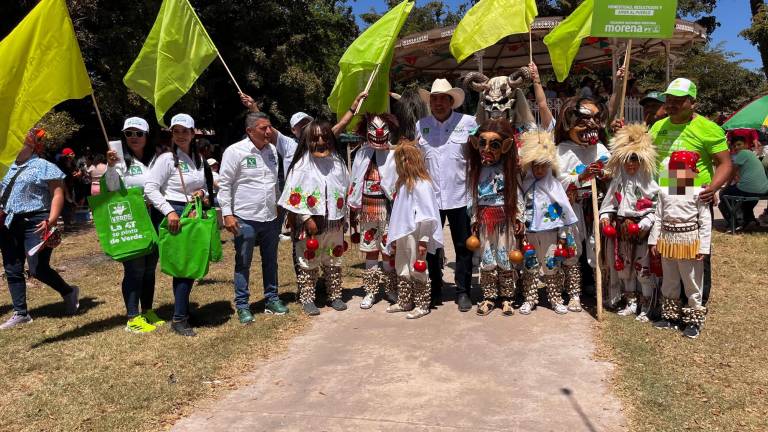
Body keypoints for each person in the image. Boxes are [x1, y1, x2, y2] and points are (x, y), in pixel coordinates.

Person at [649, 78, 732, 306]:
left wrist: (713, 187)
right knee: (668, 253)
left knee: (697, 254)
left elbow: (725, 163)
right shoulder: (658, 126)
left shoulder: (708, 128)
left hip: (694, 200)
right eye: (669, 100)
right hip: (665, 199)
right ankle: (669, 301)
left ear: (692, 102)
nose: (672, 104)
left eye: (678, 100)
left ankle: (696, 304)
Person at [0, 128, 79, 329]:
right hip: (9, 223)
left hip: (37, 221)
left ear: (33, 144)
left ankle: (68, 292)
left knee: (37, 268)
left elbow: (58, 193)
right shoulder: (5, 168)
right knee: (12, 269)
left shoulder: (43, 165)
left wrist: (52, 219)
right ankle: (21, 313)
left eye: (20, 141)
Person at [145, 113, 215, 337]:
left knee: (192, 264)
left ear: (193, 133)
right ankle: (179, 318)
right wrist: (169, 212)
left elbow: (204, 184)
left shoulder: (199, 159)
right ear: (172, 134)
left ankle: (182, 311)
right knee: (183, 267)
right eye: (176, 131)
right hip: (175, 214)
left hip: (193, 212)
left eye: (185, 131)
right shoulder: (166, 159)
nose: (181, 135)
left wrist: (202, 192)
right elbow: (151, 189)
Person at [219, 112, 288, 323]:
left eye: (269, 127)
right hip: (244, 217)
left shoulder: (272, 152)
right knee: (243, 262)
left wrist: (278, 207)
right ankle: (242, 305)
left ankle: (271, 298)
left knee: (271, 260)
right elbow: (224, 184)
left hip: (270, 217)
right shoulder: (234, 151)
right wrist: (227, 214)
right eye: (263, 128)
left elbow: (274, 183)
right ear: (249, 131)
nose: (269, 132)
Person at [416, 78, 477, 311]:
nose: (438, 103)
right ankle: (434, 289)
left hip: (460, 196)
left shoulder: (468, 122)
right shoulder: (421, 125)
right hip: (430, 198)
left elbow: (477, 156)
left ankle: (463, 291)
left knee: (463, 246)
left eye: (443, 98)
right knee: (430, 246)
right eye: (434, 99)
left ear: (452, 101)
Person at [279, 120, 350, 316]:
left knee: (333, 258)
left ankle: (334, 295)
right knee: (308, 260)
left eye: (325, 137)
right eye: (315, 138)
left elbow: (344, 190)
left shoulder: (338, 163)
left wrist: (344, 217)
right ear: (307, 140)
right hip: (310, 225)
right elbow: (293, 196)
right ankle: (308, 298)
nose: (321, 141)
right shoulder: (301, 165)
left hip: (334, 223)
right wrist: (306, 217)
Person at [104, 116, 165, 333]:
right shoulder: (119, 160)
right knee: (134, 269)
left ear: (147, 136)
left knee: (149, 268)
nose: (134, 138)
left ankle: (147, 310)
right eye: (129, 133)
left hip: (156, 217)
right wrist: (111, 167)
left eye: (138, 133)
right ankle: (132, 317)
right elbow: (111, 188)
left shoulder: (158, 158)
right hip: (133, 219)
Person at [599, 124, 660, 322]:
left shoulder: (651, 183)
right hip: (621, 230)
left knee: (643, 270)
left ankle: (646, 305)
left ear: (642, 160)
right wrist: (606, 217)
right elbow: (609, 204)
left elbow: (657, 209)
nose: (630, 165)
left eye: (635, 160)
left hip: (641, 231)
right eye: (627, 160)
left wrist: (643, 225)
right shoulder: (618, 181)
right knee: (624, 269)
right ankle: (630, 302)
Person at [555, 96, 611, 311]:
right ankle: (574, 293)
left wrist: (604, 174)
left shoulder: (599, 149)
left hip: (596, 205)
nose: (592, 125)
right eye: (584, 121)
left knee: (597, 247)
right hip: (573, 208)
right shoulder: (561, 150)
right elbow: (558, 181)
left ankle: (601, 289)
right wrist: (582, 176)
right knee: (572, 249)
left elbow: (612, 169)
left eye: (596, 119)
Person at [648, 150, 711, 339]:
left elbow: (705, 221)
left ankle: (693, 320)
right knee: (670, 279)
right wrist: (654, 239)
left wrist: (703, 247)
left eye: (684, 169)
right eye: (676, 169)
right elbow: (658, 216)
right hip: (667, 241)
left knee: (692, 279)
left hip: (689, 241)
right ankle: (670, 316)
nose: (680, 173)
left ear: (692, 171)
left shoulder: (699, 192)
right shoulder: (664, 191)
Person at [518, 130, 579, 315]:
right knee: (530, 266)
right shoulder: (525, 183)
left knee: (551, 265)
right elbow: (519, 204)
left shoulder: (554, 185)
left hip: (550, 232)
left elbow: (563, 212)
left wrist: (561, 235)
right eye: (536, 166)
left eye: (543, 166)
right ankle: (530, 299)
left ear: (549, 165)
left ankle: (555, 299)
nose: (539, 170)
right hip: (530, 233)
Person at [466, 119, 523, 316]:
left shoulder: (510, 171)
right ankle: (489, 296)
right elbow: (472, 197)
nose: (486, 149)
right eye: (482, 143)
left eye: (494, 145)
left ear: (506, 147)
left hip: (505, 219)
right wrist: (474, 219)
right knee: (487, 259)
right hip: (484, 220)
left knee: (505, 258)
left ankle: (507, 298)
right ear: (476, 144)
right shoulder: (476, 171)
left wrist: (519, 218)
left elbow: (518, 194)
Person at [384, 142, 443, 319]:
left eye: (407, 159)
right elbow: (398, 213)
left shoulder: (423, 184)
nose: (404, 163)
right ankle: (405, 300)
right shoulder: (402, 184)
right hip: (403, 234)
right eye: (401, 160)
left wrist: (424, 239)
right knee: (402, 266)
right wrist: (394, 235)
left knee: (417, 267)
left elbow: (428, 215)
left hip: (417, 235)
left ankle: (422, 304)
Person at [348, 113, 400, 309]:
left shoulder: (393, 155)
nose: (379, 134)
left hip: (387, 211)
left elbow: (396, 183)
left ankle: (390, 289)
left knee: (388, 252)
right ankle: (370, 290)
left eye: (383, 131)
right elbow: (355, 180)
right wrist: (353, 209)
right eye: (374, 131)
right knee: (371, 252)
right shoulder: (361, 154)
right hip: (367, 210)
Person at [717, 137, 768, 230]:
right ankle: (750, 220)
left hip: (749, 189)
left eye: (739, 144)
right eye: (734, 146)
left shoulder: (743, 153)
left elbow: (732, 172)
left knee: (723, 194)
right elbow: (738, 175)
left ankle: (734, 223)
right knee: (745, 199)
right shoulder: (751, 155)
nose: (736, 147)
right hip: (763, 190)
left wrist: (726, 187)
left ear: (746, 145)